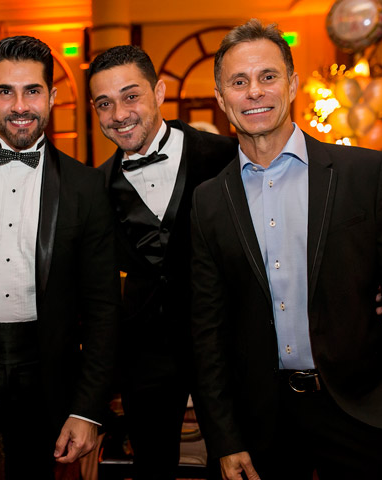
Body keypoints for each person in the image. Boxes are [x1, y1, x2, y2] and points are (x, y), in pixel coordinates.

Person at [190, 19, 382, 480]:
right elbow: (207, 330)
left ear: (293, 84)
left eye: (268, 76)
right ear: (221, 98)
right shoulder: (209, 200)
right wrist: (226, 437)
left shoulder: (369, 174)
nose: (254, 92)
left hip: (366, 414)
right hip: (265, 426)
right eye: (239, 82)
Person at [0, 35, 120, 479]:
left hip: (45, 369)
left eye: (32, 90)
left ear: (51, 96)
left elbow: (103, 309)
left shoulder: (86, 186)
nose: (19, 106)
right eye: (5, 91)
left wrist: (87, 409)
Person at [87, 45, 236, 479]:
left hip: (227, 343)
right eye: (104, 103)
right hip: (144, 355)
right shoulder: (94, 187)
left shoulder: (226, 157)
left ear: (159, 92)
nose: (119, 114)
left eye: (131, 96)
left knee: (238, 464)